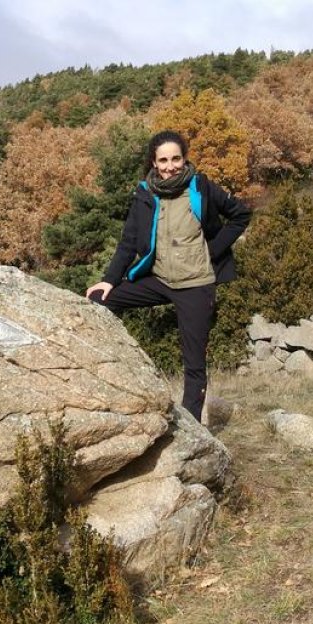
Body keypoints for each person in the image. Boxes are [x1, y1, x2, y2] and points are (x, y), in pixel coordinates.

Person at [85, 130, 251, 423]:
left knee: (194, 363)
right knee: (100, 301)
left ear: (184, 158)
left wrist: (211, 250)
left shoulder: (200, 186)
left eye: (176, 158)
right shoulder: (145, 193)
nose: (170, 165)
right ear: (154, 162)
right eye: (163, 160)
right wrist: (109, 280)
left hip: (195, 284)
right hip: (159, 279)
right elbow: (128, 241)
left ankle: (192, 429)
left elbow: (241, 215)